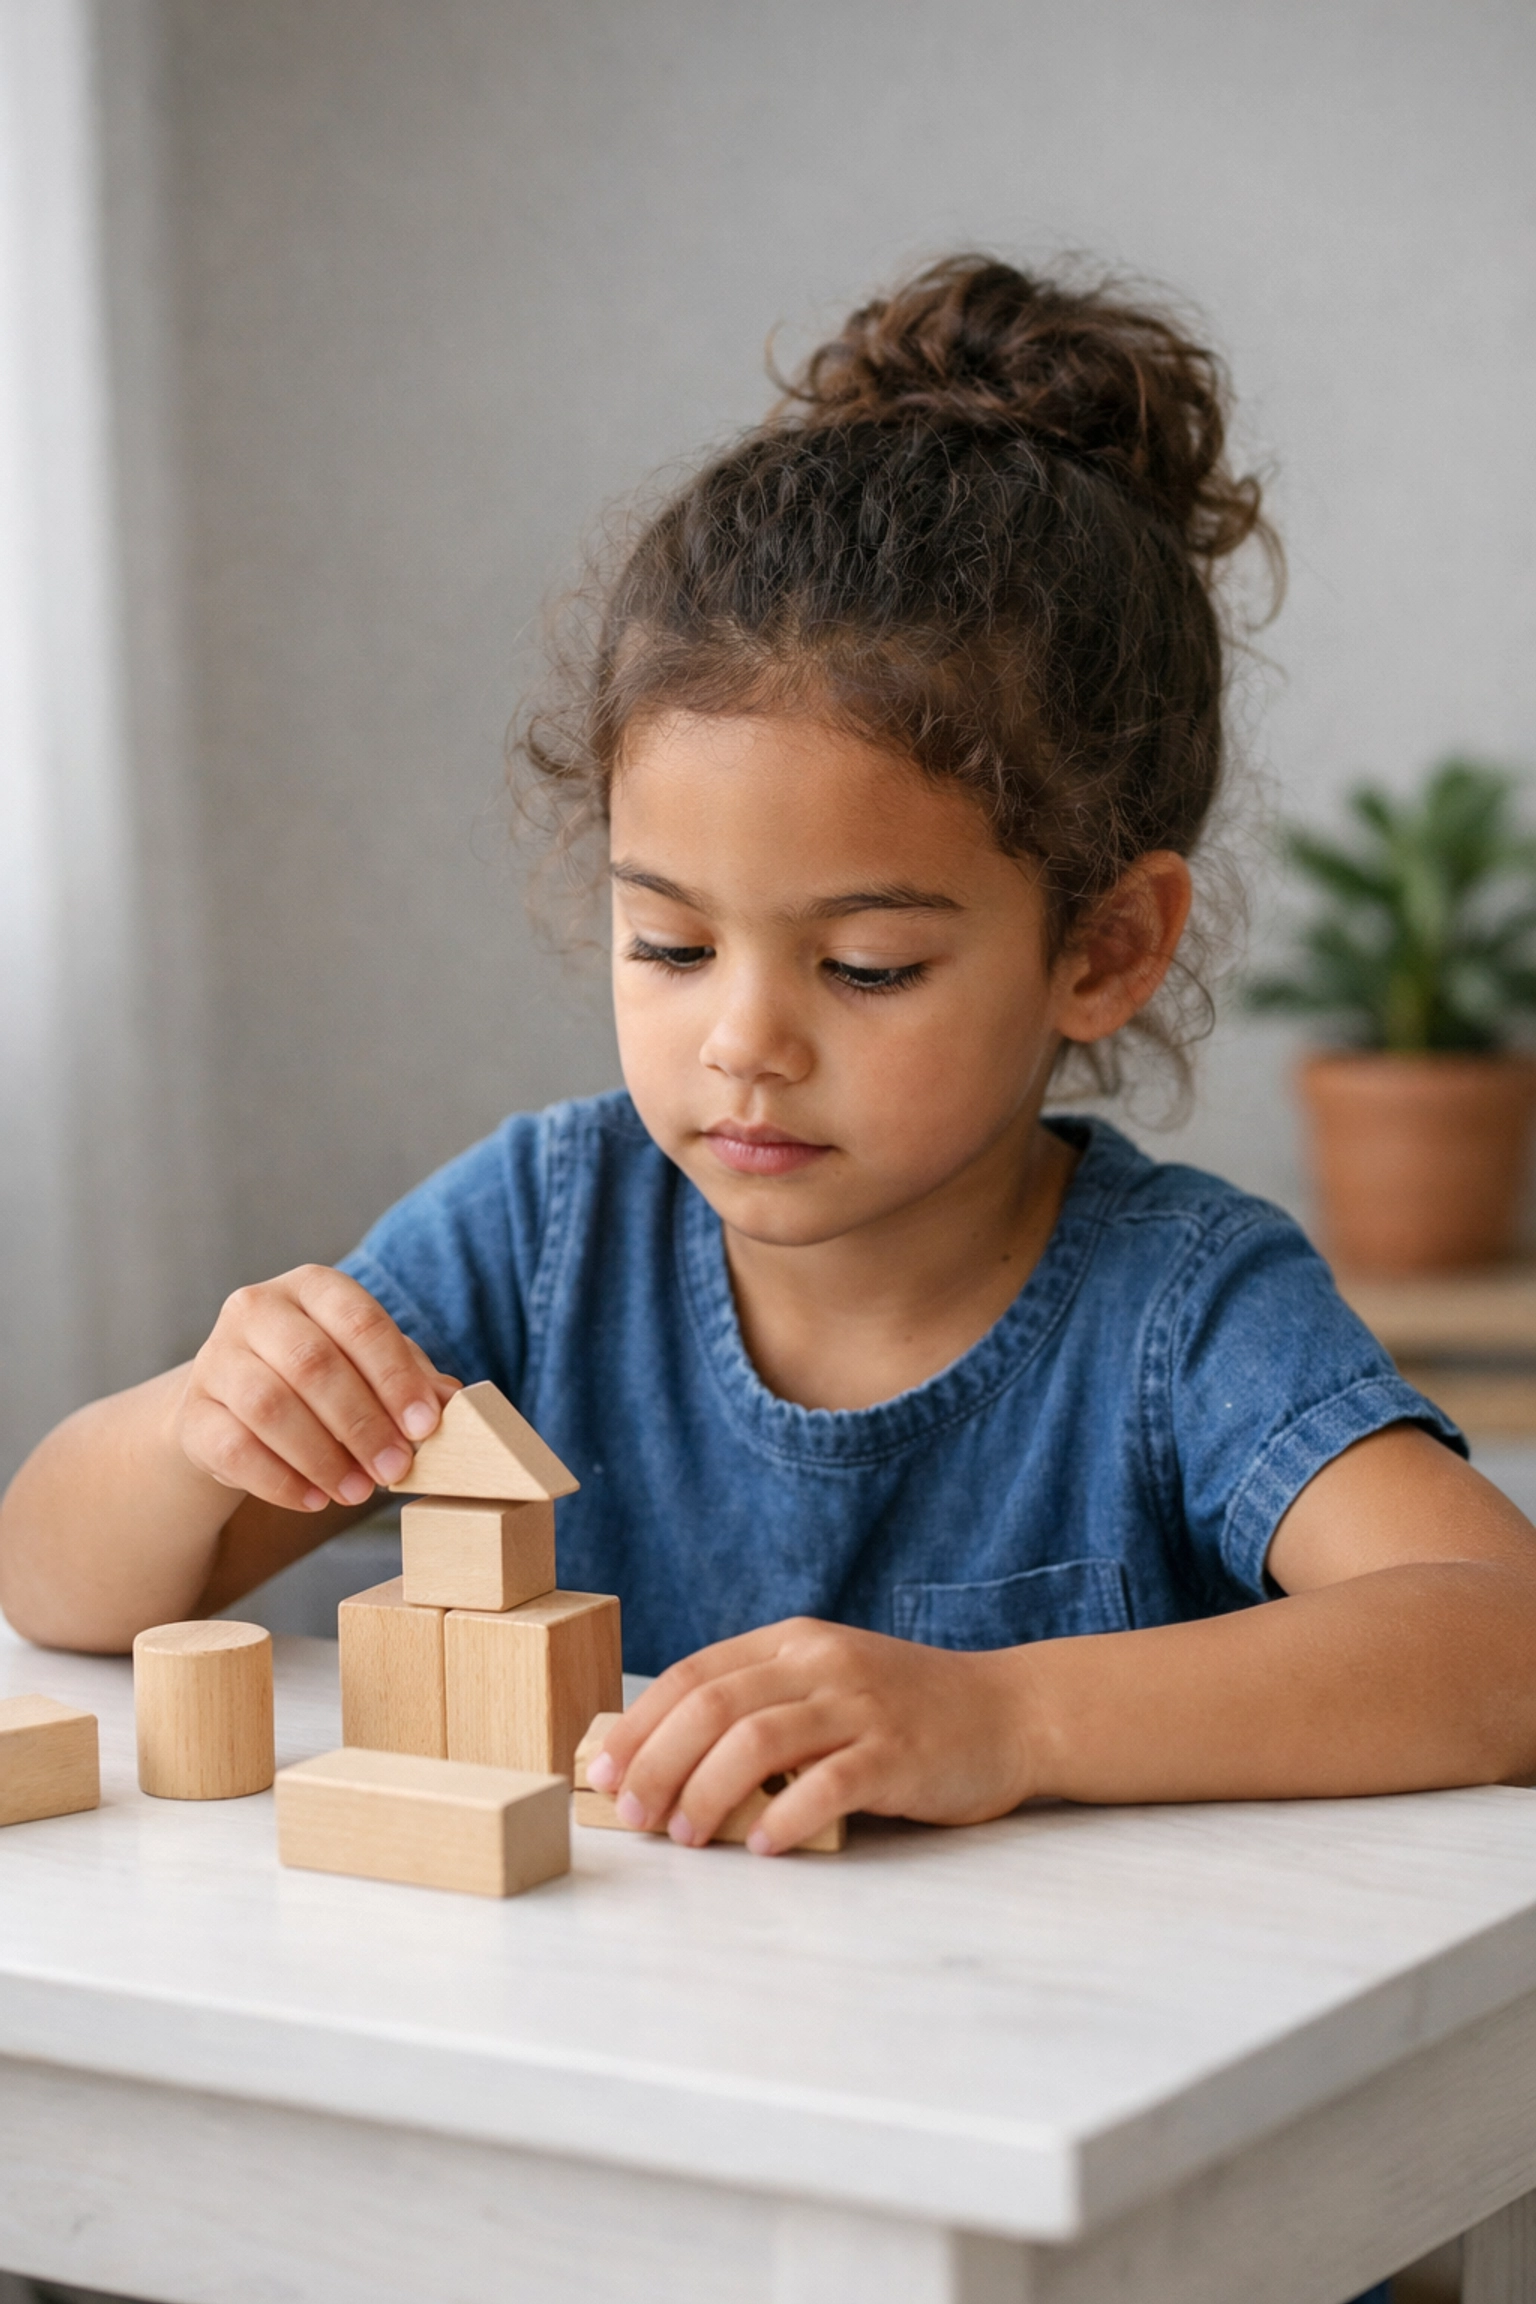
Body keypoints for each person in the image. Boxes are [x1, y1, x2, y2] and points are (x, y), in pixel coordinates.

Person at [5, 255, 1536, 1868]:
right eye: (669, 945)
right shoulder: (542, 1233)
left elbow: (1504, 1644)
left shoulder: (1179, 1309)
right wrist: (199, 1425)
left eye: (867, 966)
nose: (742, 1043)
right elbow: (56, 1587)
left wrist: (1005, 1719)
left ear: (1101, 950)